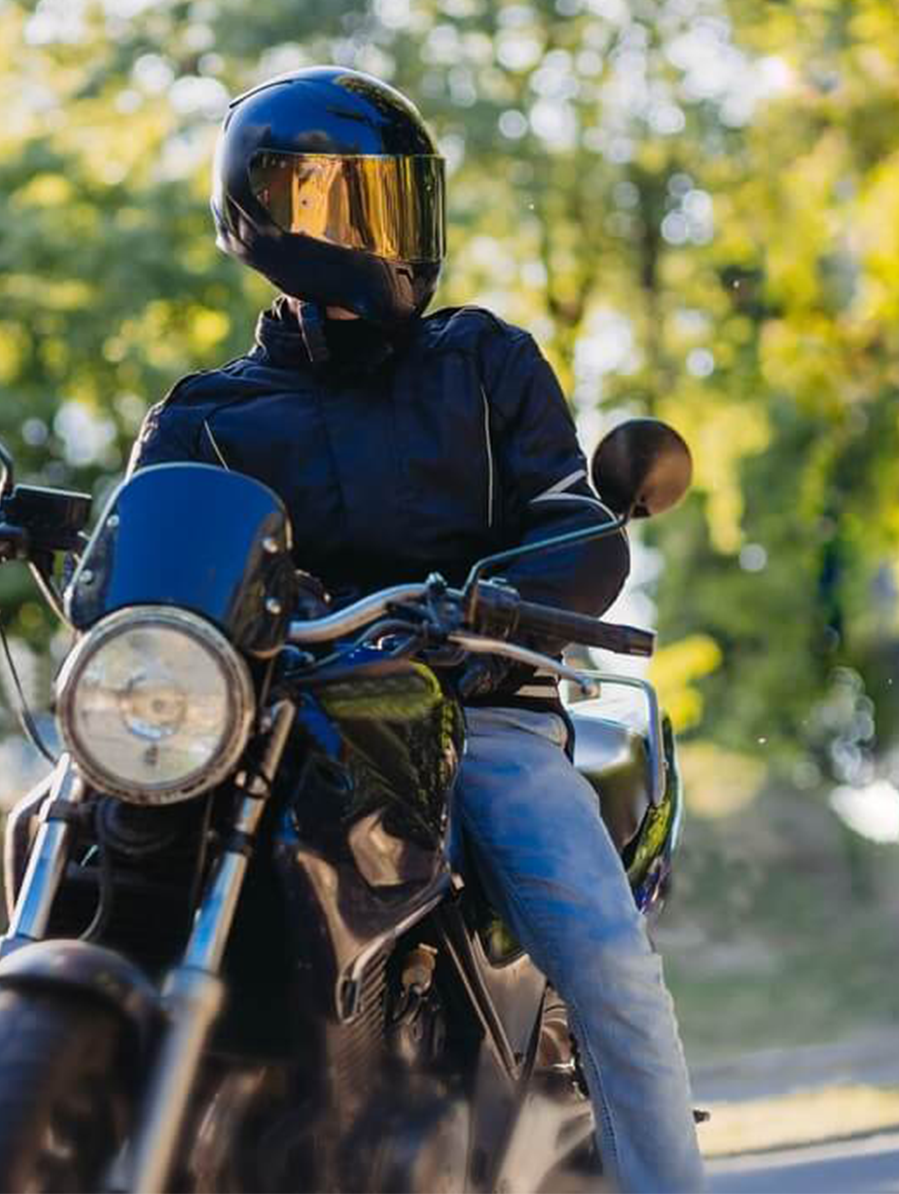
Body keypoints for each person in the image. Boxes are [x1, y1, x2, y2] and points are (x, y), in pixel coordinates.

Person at [129, 64, 705, 1193]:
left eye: (393, 201)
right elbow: (145, 571)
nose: (377, 234)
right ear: (268, 215)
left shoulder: (485, 363)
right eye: (343, 202)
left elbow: (578, 531)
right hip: (278, 742)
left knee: (610, 970)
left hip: (480, 719)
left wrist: (495, 597)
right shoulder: (203, 418)